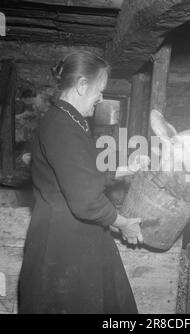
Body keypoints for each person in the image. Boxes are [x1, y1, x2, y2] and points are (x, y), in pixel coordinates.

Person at [18, 51, 143, 314]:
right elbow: (86, 200)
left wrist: (125, 169)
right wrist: (124, 224)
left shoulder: (66, 120)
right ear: (82, 85)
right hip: (64, 248)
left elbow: (82, 173)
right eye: (99, 91)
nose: (100, 98)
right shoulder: (63, 126)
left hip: (71, 239)